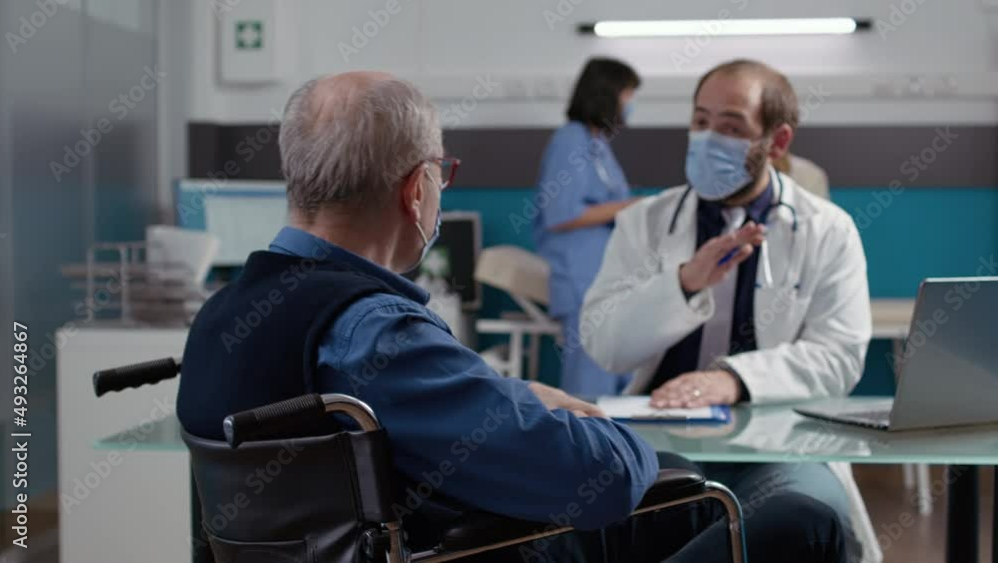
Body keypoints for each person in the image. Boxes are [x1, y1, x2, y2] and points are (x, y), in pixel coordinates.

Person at [177, 71, 845, 563]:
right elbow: (602, 475)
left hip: (438, 533)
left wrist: (517, 398)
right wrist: (594, 423)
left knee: (689, 489)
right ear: (418, 190)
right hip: (474, 548)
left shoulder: (221, 317)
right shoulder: (372, 330)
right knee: (800, 518)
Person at [581, 59, 872, 562]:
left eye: (731, 127)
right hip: (662, 441)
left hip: (781, 444)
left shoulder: (829, 229)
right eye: (700, 122)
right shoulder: (644, 224)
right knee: (598, 517)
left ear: (777, 143)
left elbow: (840, 356)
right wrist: (683, 283)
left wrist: (734, 380)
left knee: (808, 516)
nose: (708, 138)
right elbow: (603, 344)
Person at [533, 57, 643, 397]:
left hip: (601, 271)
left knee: (616, 369)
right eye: (627, 94)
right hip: (578, 271)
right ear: (608, 94)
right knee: (590, 378)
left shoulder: (598, 145)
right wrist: (630, 207)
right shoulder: (571, 140)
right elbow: (561, 214)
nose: (630, 103)